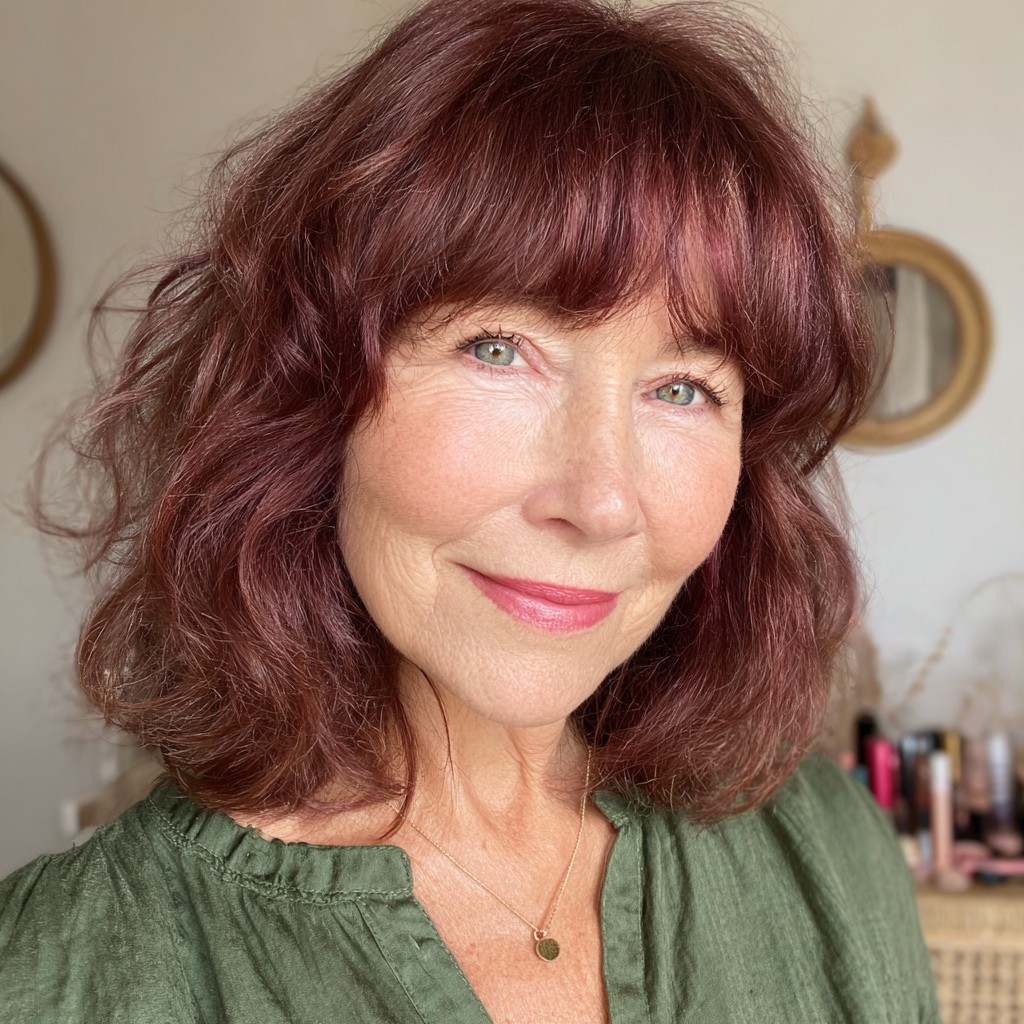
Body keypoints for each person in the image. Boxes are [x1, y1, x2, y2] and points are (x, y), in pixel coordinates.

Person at [0, 0, 938, 1020]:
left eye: (683, 388)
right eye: (498, 349)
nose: (601, 501)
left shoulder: (828, 854)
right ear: (308, 390)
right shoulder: (65, 971)